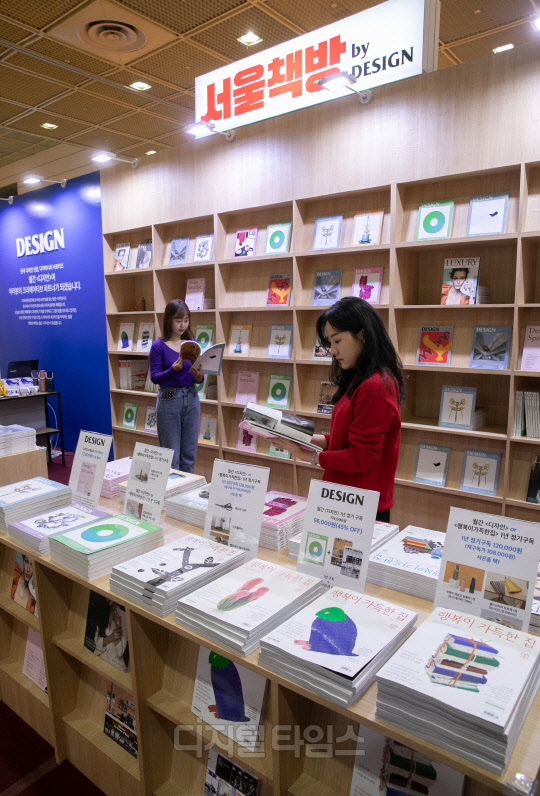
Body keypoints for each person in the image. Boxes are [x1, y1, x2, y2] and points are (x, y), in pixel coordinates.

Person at [280, 297, 405, 521]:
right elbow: (348, 438)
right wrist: (306, 439)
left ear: (363, 335)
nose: (333, 350)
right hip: (344, 499)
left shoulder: (375, 387)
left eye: (337, 340)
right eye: (330, 342)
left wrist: (307, 455)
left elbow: (361, 457)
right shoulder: (360, 377)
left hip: (360, 507)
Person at [149, 299, 203, 472]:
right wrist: (173, 370)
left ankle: (187, 489)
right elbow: (155, 377)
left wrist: (199, 377)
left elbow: (196, 375)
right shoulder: (158, 346)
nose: (183, 325)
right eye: (178, 320)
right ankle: (172, 489)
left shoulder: (192, 343)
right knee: (171, 458)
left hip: (192, 398)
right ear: (168, 320)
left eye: (186, 320)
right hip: (169, 399)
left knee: (189, 456)